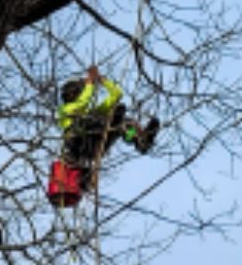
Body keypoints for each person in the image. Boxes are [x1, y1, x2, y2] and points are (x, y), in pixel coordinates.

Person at [47, 66, 159, 207]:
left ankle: (140, 139)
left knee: (123, 122)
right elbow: (82, 103)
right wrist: (90, 83)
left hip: (95, 142)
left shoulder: (91, 113)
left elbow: (116, 95)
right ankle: (115, 121)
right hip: (79, 143)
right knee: (90, 119)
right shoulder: (65, 110)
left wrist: (102, 80)